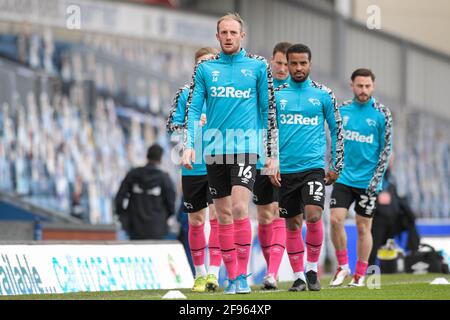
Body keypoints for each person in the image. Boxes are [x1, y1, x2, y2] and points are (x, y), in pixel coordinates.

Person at [183, 13, 278, 294]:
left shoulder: (258, 67)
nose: (228, 37)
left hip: (246, 148)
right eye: (223, 32)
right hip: (214, 149)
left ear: (241, 36)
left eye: (232, 32)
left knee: (239, 208)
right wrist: (189, 144)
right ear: (217, 36)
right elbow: (194, 110)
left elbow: (268, 110)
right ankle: (232, 276)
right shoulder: (205, 70)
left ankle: (242, 278)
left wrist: (271, 152)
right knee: (222, 215)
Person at [270, 43, 344, 292]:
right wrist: (271, 162)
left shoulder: (324, 94)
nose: (299, 67)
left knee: (313, 215)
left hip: (313, 167)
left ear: (310, 64)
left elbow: (336, 129)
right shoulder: (277, 96)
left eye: (303, 63)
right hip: (287, 169)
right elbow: (269, 130)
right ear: (286, 65)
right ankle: (299, 276)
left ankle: (312, 270)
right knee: (292, 224)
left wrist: (336, 163)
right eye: (294, 63)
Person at [329, 68, 393, 287]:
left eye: (367, 86)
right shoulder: (343, 110)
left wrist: (376, 181)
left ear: (373, 86)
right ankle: (343, 266)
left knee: (363, 226)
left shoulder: (382, 113)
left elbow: (386, 149)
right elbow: (336, 143)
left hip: (368, 181)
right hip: (344, 177)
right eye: (359, 86)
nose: (363, 90)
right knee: (335, 220)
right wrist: (334, 167)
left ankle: (360, 273)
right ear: (352, 85)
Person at [166, 46, 222, 293]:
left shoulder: (224, 95)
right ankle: (199, 274)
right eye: (201, 63)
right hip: (192, 166)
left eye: (210, 62)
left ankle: (214, 273)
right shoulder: (185, 94)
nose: (205, 66)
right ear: (195, 68)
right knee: (196, 220)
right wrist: (187, 124)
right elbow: (171, 126)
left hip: (219, 163)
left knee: (218, 218)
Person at [257, 42, 291, 290]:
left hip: (287, 159)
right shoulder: (262, 87)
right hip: (260, 157)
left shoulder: (296, 90)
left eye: (287, 64)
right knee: (264, 215)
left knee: (280, 212)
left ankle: (272, 272)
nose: (282, 68)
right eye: (279, 62)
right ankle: (272, 273)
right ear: (272, 60)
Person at [114, 144, 176, 240]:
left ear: (147, 156)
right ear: (160, 158)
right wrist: (163, 219)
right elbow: (171, 205)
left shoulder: (133, 175)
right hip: (157, 229)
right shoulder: (164, 178)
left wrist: (124, 217)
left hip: (135, 228)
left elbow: (119, 198)